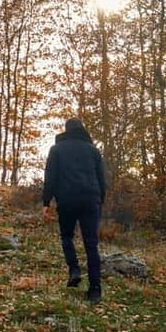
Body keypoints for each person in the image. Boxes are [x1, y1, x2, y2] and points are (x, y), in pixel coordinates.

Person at [42, 117, 108, 303]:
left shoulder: (56, 150)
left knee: (66, 236)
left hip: (67, 199)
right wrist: (100, 200)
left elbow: (50, 176)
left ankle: (74, 269)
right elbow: (101, 179)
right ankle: (95, 290)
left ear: (66, 130)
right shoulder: (93, 150)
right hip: (90, 199)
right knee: (91, 244)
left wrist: (46, 202)